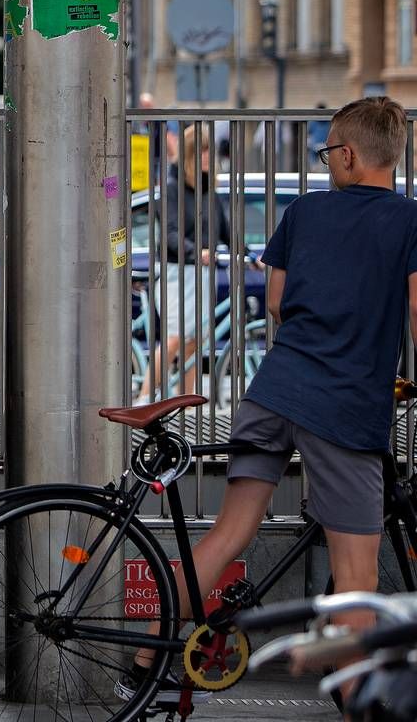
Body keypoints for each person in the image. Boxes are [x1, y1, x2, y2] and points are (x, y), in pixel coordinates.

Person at [125, 97, 417, 704]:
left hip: (274, 390)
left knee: (229, 534)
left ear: (350, 156)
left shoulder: (304, 213)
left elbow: (278, 304)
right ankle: (361, 705)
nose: (326, 160)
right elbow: (415, 309)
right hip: (344, 405)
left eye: (328, 150)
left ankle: (148, 650)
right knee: (358, 575)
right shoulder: (409, 221)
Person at [141, 124, 233, 402]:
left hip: (203, 275)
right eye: (201, 153)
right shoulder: (171, 189)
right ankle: (144, 398)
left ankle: (186, 403)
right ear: (188, 156)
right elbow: (170, 234)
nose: (207, 159)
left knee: (195, 342)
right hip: (175, 274)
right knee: (175, 338)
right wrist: (198, 252)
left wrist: (252, 256)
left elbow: (227, 233)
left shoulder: (210, 193)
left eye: (209, 153)